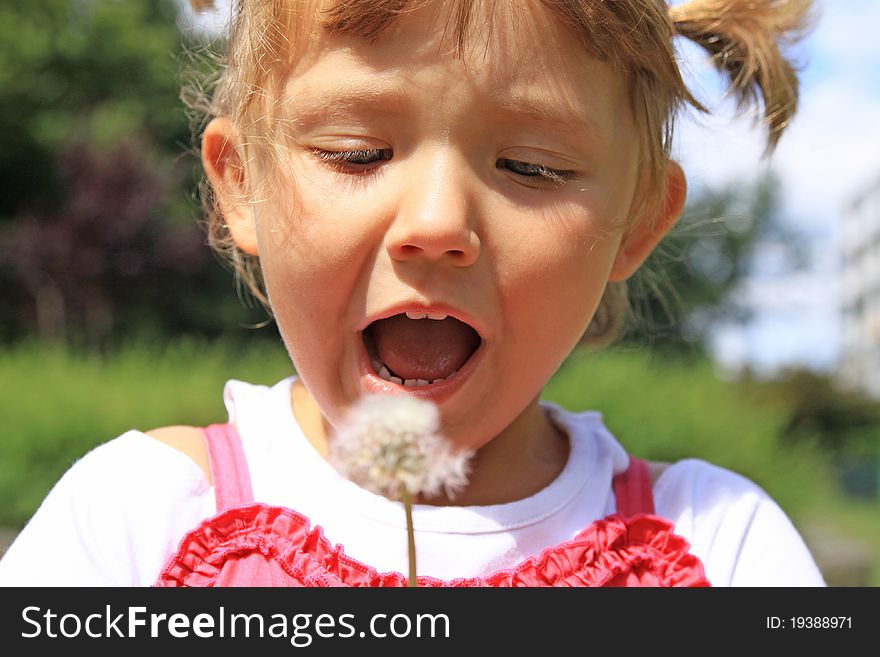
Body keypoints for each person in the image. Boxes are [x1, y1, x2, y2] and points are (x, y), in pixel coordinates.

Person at [0, 0, 824, 586]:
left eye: (532, 167)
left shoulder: (719, 548)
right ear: (240, 183)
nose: (435, 223)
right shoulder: (142, 519)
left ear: (637, 219)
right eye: (357, 152)